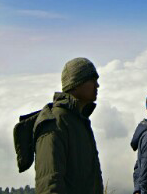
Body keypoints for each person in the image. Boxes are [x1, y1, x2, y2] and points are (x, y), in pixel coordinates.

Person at [33, 57, 104, 194]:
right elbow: (49, 183)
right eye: (92, 79)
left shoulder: (78, 121)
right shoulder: (54, 123)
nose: (97, 85)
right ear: (76, 83)